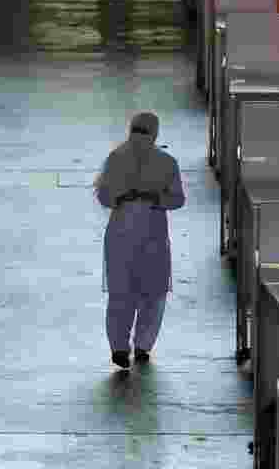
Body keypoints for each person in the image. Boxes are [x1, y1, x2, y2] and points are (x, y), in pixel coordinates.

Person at [94, 112, 185, 369]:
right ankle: (143, 346)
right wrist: (156, 199)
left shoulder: (115, 157)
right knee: (153, 292)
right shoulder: (167, 162)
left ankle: (119, 348)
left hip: (120, 231)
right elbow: (177, 199)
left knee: (120, 292)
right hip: (153, 231)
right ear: (155, 133)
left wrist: (123, 198)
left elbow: (103, 197)